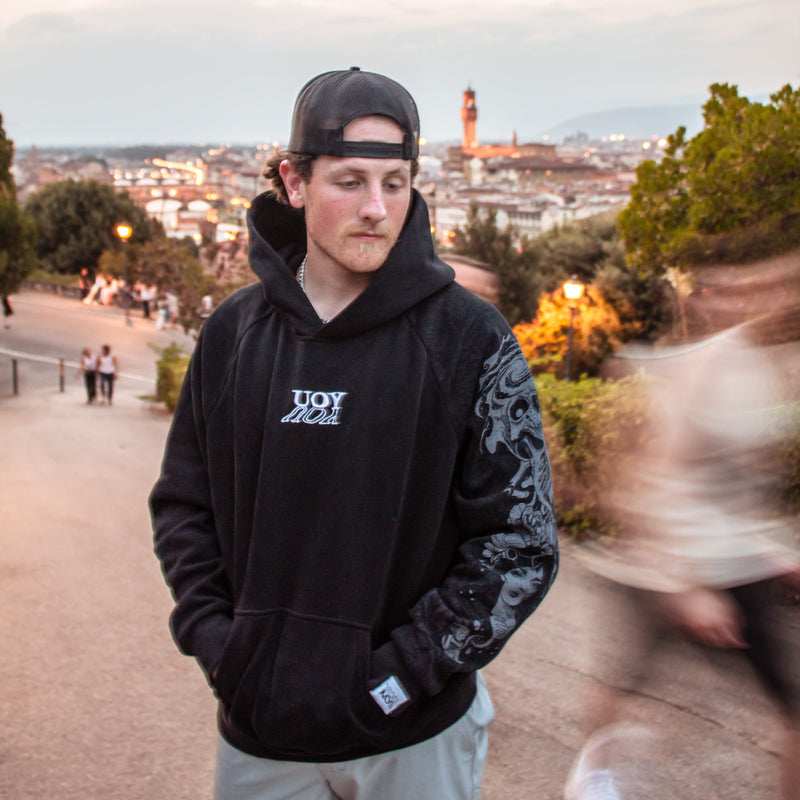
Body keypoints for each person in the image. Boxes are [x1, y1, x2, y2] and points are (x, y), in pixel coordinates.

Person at [150, 67, 558, 800]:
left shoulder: (470, 339)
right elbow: (185, 506)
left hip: (415, 737)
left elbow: (521, 539)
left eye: (394, 184)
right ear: (294, 181)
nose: (376, 209)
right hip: (261, 736)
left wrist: (399, 680)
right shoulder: (233, 335)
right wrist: (223, 650)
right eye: (350, 181)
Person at [567, 303, 800, 800]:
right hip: (670, 565)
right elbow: (660, 472)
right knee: (624, 680)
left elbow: (738, 479)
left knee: (792, 707)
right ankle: (594, 775)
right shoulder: (711, 362)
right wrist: (684, 586)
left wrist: (772, 548)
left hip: (731, 561)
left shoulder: (763, 362)